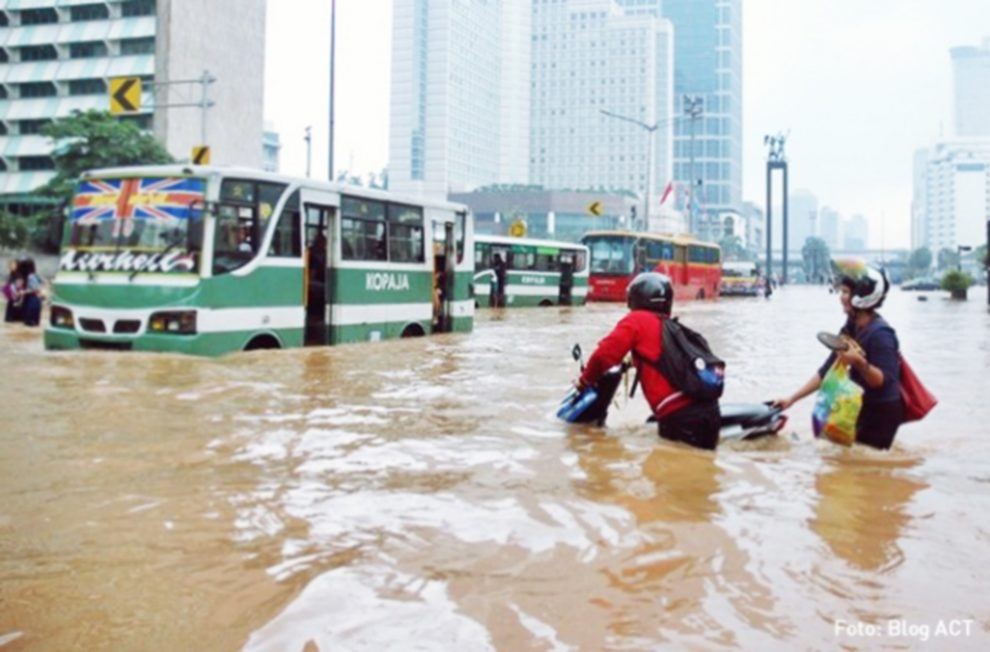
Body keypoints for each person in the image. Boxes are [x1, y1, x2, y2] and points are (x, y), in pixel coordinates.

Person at [575, 272, 721, 450]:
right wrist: (629, 363)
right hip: (710, 413)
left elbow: (602, 356)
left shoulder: (637, 321)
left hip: (679, 417)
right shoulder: (669, 326)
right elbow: (655, 357)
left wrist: (584, 381)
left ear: (635, 298)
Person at [772, 260, 903, 450]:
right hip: (858, 408)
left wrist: (859, 362)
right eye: (841, 291)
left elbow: (884, 381)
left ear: (863, 296)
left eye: (846, 292)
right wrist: (791, 399)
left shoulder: (881, 335)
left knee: (866, 470)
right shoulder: (851, 327)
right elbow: (827, 369)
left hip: (881, 413)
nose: (841, 297)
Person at [17, 258, 45, 327]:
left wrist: (23, 292)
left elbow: (35, 289)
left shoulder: (30, 276)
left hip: (32, 301)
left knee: (29, 323)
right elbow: (44, 282)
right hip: (35, 301)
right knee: (32, 324)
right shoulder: (34, 274)